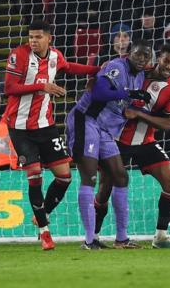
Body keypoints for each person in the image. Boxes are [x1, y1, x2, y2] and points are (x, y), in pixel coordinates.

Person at [3, 19, 100, 250]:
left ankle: (42, 213)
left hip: (45, 126)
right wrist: (42, 86)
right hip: (20, 127)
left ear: (49, 38)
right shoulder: (19, 55)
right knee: (35, 174)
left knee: (64, 176)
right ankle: (45, 232)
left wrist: (97, 70)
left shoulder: (55, 56)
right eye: (31, 37)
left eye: (38, 37)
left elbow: (69, 67)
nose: (33, 41)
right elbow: (9, 88)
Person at [65, 39, 153, 250]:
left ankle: (121, 239)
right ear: (129, 52)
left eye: (146, 56)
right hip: (85, 120)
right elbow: (99, 93)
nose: (142, 59)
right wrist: (130, 94)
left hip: (104, 129)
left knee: (120, 176)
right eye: (138, 54)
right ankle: (89, 240)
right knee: (90, 177)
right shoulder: (116, 66)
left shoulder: (140, 75)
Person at [95, 44, 170, 249]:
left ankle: (161, 237)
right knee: (104, 188)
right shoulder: (137, 71)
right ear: (158, 58)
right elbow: (111, 75)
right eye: (166, 60)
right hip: (116, 141)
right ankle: (94, 237)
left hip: (145, 142)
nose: (169, 66)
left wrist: (139, 114)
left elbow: (168, 124)